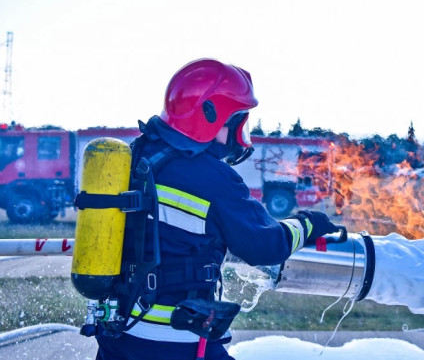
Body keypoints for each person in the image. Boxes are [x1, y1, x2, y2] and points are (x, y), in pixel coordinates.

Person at [95, 58, 337, 360]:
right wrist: (307, 224)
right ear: (209, 116)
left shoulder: (136, 155)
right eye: (235, 121)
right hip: (174, 341)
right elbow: (266, 246)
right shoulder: (213, 178)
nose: (238, 132)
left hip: (116, 334)